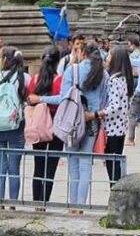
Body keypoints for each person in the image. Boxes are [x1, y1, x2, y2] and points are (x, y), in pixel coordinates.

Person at [29, 42, 108, 212]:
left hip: (72, 121)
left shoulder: (73, 70)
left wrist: (41, 99)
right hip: (92, 121)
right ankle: (80, 206)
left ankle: (72, 206)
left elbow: (63, 99)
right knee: (85, 164)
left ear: (82, 53)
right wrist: (95, 113)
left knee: (73, 165)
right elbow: (104, 100)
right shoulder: (104, 74)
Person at [0, 47, 29, 209]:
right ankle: (13, 204)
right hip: (16, 127)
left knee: (0, 167)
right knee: (14, 168)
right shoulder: (25, 77)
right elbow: (26, 102)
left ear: (4, 60)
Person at [29, 45, 63, 210]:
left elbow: (29, 99)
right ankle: (44, 201)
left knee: (38, 165)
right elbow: (63, 101)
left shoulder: (34, 79)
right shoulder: (60, 81)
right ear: (58, 62)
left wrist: (40, 99)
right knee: (50, 168)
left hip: (38, 124)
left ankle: (37, 202)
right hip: (56, 124)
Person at [98, 44, 133, 185]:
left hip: (112, 127)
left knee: (111, 164)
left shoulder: (114, 80)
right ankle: (118, 190)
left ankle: (116, 191)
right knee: (116, 162)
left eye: (110, 55)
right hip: (121, 127)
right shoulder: (124, 78)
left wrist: (99, 113)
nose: (107, 58)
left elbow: (114, 105)